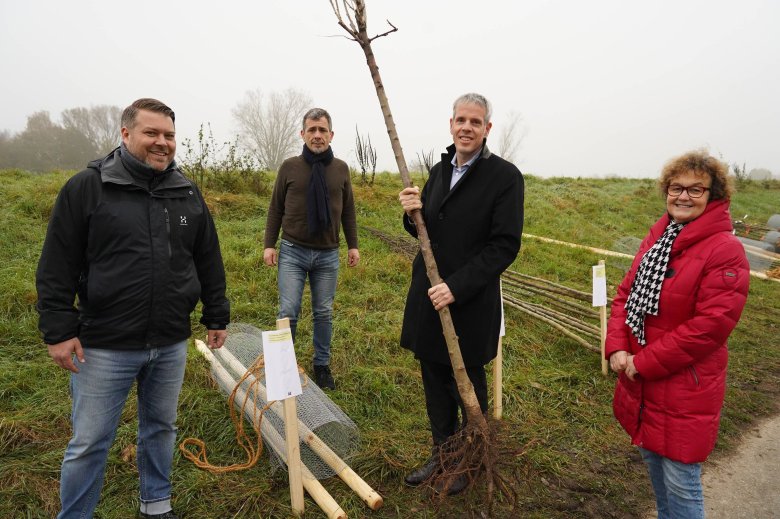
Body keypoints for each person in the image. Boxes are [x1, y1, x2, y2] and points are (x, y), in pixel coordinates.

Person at [36, 98, 230, 519]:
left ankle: (156, 506)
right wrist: (57, 329)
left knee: (160, 429)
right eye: (151, 134)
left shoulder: (185, 191)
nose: (162, 143)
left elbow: (207, 257)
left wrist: (217, 314)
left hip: (170, 341)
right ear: (125, 135)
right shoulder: (87, 188)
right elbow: (57, 264)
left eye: (169, 136)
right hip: (104, 344)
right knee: (90, 441)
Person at [605, 150, 750, 519]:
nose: (683, 196)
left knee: (681, 482)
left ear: (714, 195)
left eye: (695, 189)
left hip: (685, 386)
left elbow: (709, 327)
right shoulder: (658, 238)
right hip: (642, 382)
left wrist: (644, 362)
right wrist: (617, 346)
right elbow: (625, 295)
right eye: (675, 188)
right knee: (656, 470)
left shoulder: (724, 249)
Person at [398, 93, 524, 494]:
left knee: (465, 380)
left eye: (476, 122)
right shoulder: (439, 170)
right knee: (434, 379)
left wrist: (458, 287)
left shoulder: (504, 177)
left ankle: (469, 464)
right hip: (428, 295)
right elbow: (426, 233)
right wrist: (410, 212)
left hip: (468, 300)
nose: (467, 128)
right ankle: (441, 456)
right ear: (450, 124)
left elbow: (504, 245)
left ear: (487, 129)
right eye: (461, 120)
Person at [263, 108, 359, 390]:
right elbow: (275, 208)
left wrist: (353, 245)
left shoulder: (340, 169)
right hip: (293, 250)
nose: (317, 135)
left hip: (328, 253)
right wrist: (269, 244)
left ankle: (322, 366)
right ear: (302, 133)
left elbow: (349, 210)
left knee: (323, 311)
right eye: (312, 130)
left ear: (331, 134)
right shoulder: (289, 167)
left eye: (322, 130)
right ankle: (284, 366)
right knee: (288, 309)